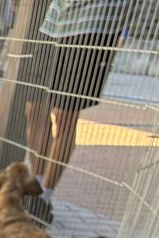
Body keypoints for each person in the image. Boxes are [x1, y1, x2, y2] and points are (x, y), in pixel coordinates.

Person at [24, 0, 128, 221]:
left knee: (65, 115)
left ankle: (44, 197)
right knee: (34, 107)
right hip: (54, 22)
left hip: (95, 24)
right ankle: (37, 185)